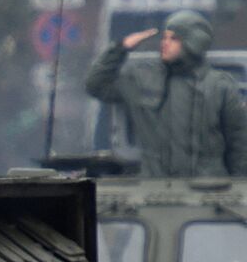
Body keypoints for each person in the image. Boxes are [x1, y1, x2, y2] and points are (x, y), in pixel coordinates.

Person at [86, 10, 247, 177]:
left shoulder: (219, 87)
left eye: (174, 39)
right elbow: (96, 85)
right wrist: (120, 48)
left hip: (209, 188)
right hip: (156, 187)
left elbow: (239, 144)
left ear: (194, 42)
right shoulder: (142, 80)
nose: (165, 43)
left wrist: (239, 187)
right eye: (164, 37)